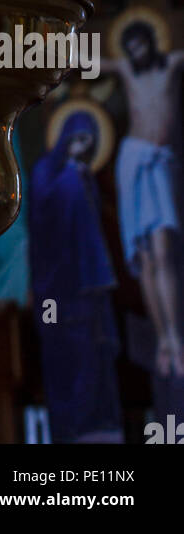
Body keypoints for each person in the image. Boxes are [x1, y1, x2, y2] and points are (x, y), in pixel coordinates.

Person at [29, 109, 123, 442]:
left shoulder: (81, 176)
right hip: (57, 286)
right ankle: (71, 424)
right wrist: (71, 180)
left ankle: (96, 421)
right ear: (64, 137)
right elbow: (44, 219)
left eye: (89, 141)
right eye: (78, 139)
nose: (83, 147)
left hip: (87, 287)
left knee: (92, 355)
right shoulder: (50, 173)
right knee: (64, 353)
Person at [101, 20, 184, 377]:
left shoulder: (170, 64)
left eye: (141, 44)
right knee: (146, 256)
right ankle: (164, 338)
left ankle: (175, 335)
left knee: (163, 249)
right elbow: (83, 59)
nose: (136, 51)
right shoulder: (124, 69)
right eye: (130, 47)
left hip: (159, 162)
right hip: (133, 159)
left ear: (151, 42)